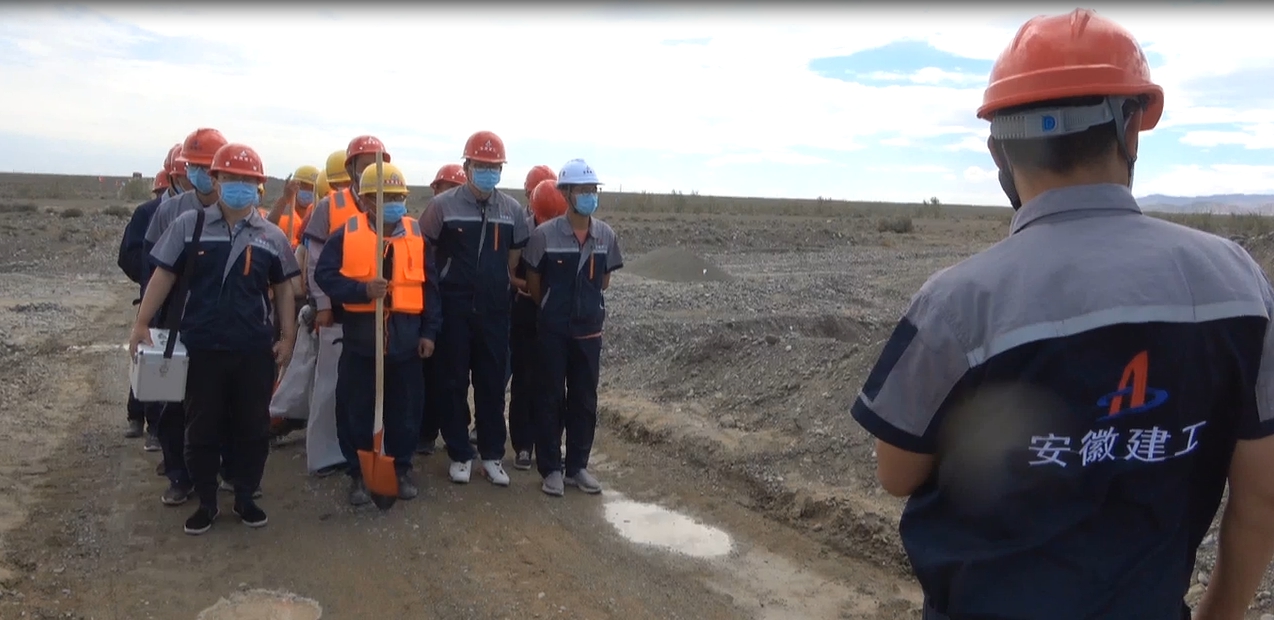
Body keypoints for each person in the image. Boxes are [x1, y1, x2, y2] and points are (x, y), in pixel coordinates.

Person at [848, 9, 1274, 619]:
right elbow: (1262, 495)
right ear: (1131, 130)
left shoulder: (957, 304)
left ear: (999, 152)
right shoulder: (1238, 284)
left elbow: (896, 473)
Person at [129, 142, 298, 536]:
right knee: (201, 428)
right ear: (216, 180)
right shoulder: (189, 226)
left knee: (252, 428)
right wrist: (141, 323)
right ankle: (206, 502)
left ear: (258, 186)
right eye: (231, 177)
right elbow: (164, 275)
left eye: (247, 180)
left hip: (253, 350)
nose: (238, 185)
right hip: (202, 348)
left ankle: (244, 497)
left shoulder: (272, 236)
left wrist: (287, 338)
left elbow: (284, 289)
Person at [314, 162, 441, 504]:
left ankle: (400, 468)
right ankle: (358, 473)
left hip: (405, 344)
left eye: (399, 197)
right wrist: (362, 290)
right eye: (387, 197)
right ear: (368, 200)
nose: (395, 203)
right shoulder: (347, 233)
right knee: (354, 410)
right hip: (361, 343)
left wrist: (429, 332)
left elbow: (430, 289)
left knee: (406, 410)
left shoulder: (416, 235)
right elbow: (325, 275)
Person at [420, 130, 530, 486]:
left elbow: (514, 257)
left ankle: (492, 454)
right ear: (467, 166)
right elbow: (425, 255)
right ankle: (459, 453)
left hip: (495, 310)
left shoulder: (512, 210)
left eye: (493, 166)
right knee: (453, 381)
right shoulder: (442, 207)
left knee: (492, 383)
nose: (487, 172)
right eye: (480, 165)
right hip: (453, 308)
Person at [141, 128, 232, 506]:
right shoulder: (170, 211)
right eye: (193, 165)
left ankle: (219, 471)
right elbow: (154, 268)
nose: (199, 173)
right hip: (177, 321)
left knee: (220, 402)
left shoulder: (237, 212)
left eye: (206, 167)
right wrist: (147, 319)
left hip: (222, 324)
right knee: (172, 404)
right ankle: (179, 475)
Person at [522, 159, 623, 496]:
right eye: (583, 190)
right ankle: (551, 468)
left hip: (588, 332)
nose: (589, 196)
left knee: (584, 400)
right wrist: (552, 307)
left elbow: (604, 281)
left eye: (593, 190)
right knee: (549, 398)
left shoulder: (605, 235)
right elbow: (534, 281)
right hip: (552, 332)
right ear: (565, 193)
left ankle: (577, 466)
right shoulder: (544, 235)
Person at [302, 139, 392, 477]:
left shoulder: (390, 206)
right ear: (351, 167)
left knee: (368, 392)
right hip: (338, 312)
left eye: (377, 162)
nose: (371, 169)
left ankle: (370, 452)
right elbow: (315, 262)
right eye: (365, 163)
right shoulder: (330, 206)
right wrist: (323, 304)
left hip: (376, 318)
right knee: (331, 388)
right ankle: (327, 455)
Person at [117, 145, 188, 452]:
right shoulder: (147, 213)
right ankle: (146, 422)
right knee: (151, 361)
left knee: (178, 367)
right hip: (158, 300)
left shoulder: (205, 213)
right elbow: (130, 255)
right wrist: (153, 282)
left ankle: (170, 430)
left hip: (188, 304)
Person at [507, 175, 563, 471]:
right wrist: (523, 285)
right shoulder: (522, 230)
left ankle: (550, 446)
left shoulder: (569, 230)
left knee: (553, 384)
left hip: (557, 314)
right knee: (524, 379)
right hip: (527, 312)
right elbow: (508, 270)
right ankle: (523, 445)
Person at [417, 163, 468, 456]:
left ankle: (453, 431)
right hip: (426, 302)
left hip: (453, 304)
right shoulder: (429, 219)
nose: (451, 193)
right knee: (427, 373)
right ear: (435, 188)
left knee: (453, 375)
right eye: (447, 187)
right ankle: (425, 432)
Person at [267, 164, 321, 249]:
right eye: (304, 186)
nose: (308, 191)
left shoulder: (318, 218)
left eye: (312, 188)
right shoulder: (284, 216)